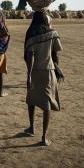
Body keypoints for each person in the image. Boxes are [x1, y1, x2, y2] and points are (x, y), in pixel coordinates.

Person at [24, 10, 63, 146]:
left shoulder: (31, 35)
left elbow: (31, 56)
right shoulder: (53, 33)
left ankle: (31, 127)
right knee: (47, 103)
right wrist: (58, 69)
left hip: (35, 72)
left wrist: (28, 76)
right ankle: (44, 137)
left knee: (31, 100)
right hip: (49, 71)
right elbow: (55, 54)